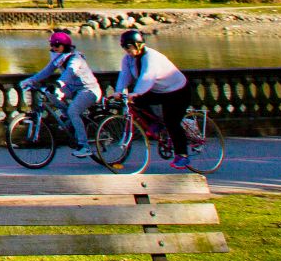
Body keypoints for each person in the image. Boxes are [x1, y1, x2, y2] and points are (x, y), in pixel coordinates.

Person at [116, 29, 195, 169]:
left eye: (129, 46)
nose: (126, 50)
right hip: (158, 91)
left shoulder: (151, 57)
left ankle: (182, 155)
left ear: (138, 44)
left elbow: (147, 76)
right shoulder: (128, 59)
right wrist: (118, 92)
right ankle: (155, 124)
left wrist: (137, 92)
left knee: (172, 122)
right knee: (136, 102)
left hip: (177, 91)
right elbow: (124, 76)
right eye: (124, 47)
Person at [18, 29, 99, 157]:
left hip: (88, 89)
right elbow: (47, 71)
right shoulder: (59, 57)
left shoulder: (75, 59)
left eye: (56, 45)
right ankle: (68, 118)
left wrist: (58, 84)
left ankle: (84, 146)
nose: (53, 48)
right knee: (49, 94)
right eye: (52, 45)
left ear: (65, 46)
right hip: (73, 88)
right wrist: (30, 80)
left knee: (73, 110)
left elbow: (70, 72)